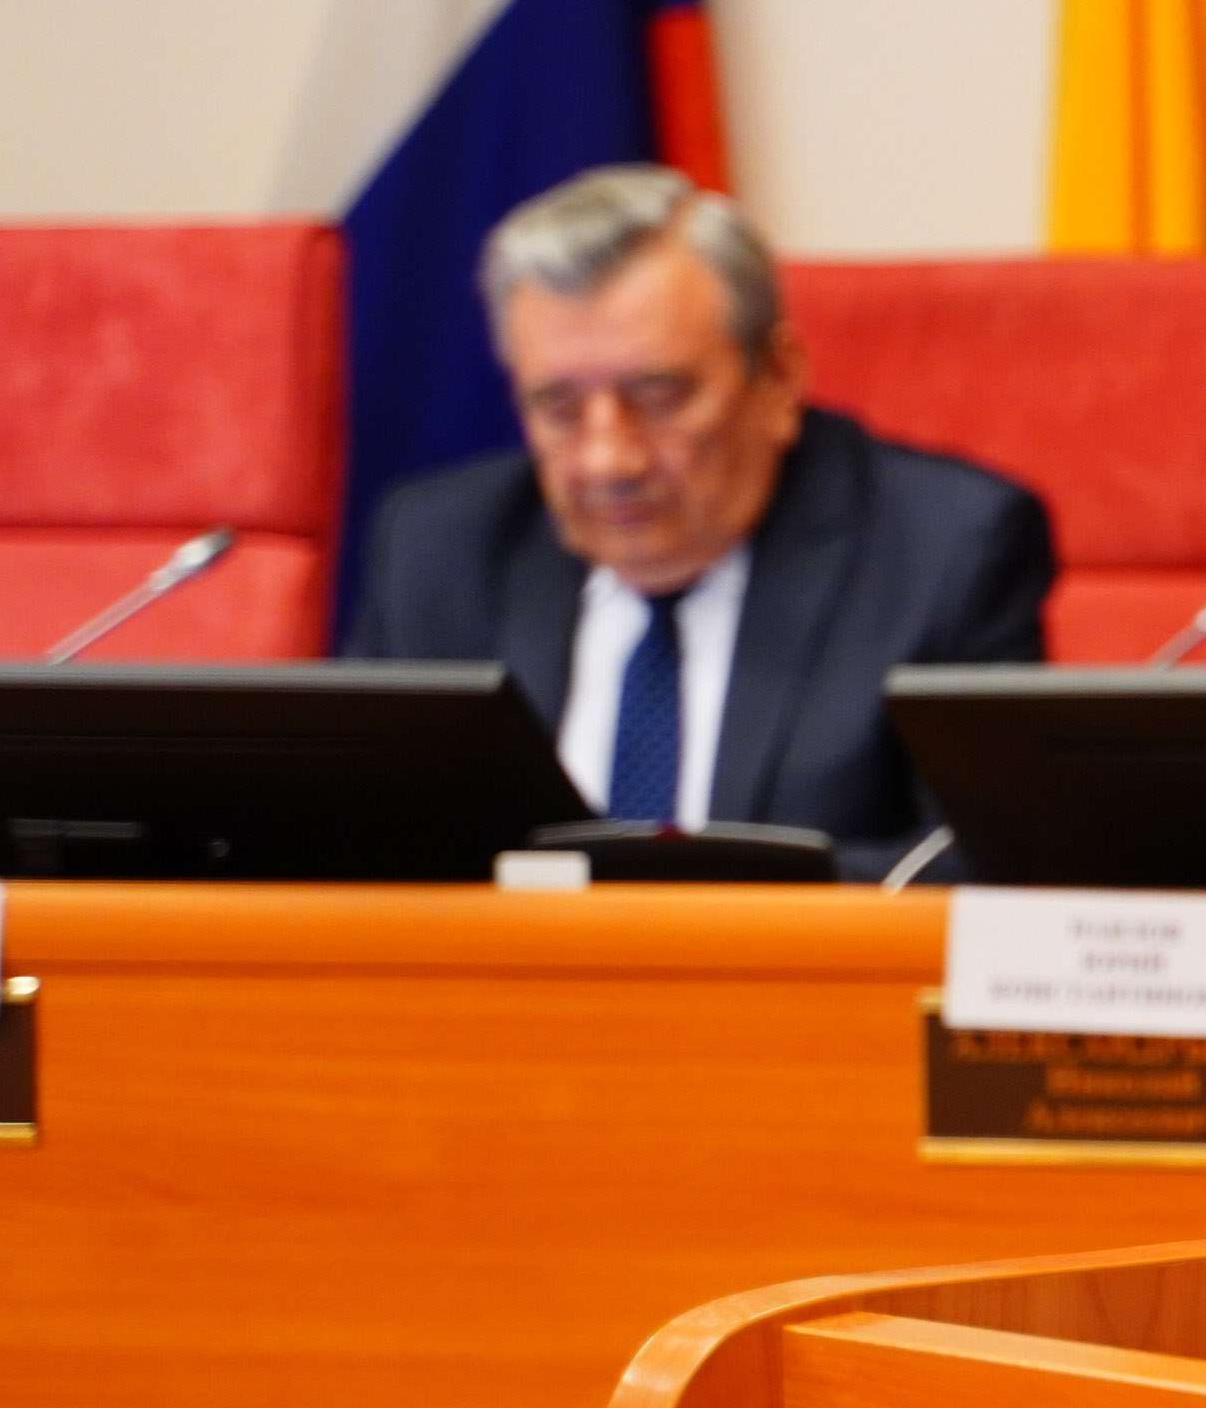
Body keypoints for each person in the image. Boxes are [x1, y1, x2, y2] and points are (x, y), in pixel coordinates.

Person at [348, 165, 1052, 876]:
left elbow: (980, 867)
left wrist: (679, 908)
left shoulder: (946, 550)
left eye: (658, 398)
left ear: (778, 376)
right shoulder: (437, 549)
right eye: (559, 409)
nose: (609, 460)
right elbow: (352, 837)